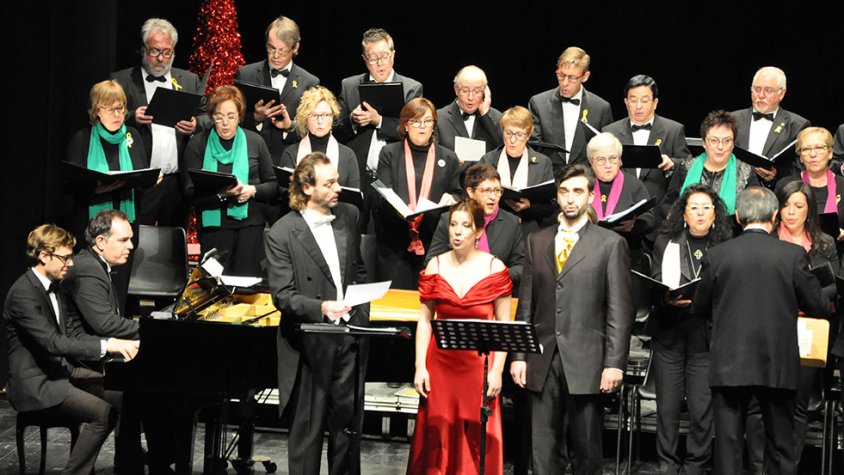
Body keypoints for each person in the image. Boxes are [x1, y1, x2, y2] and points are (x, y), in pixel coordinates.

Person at [692, 186, 830, 475]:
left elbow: (699, 306)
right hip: (777, 363)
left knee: (728, 445)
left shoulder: (717, 255)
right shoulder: (792, 255)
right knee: (780, 443)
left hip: (729, 364)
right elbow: (818, 306)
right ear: (775, 215)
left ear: (739, 216)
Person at [510, 164, 633, 474]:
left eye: (578, 191)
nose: (570, 199)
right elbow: (527, 303)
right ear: (557, 197)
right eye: (564, 192)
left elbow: (619, 309)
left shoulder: (610, 244)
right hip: (542, 356)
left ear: (591, 196)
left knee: (587, 450)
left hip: (587, 359)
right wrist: (519, 355)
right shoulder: (536, 241)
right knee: (542, 447)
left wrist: (614, 362)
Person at [3, 224, 138, 475]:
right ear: (44, 256)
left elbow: (73, 335)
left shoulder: (57, 286)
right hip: (36, 383)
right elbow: (53, 343)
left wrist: (114, 349)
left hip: (59, 371)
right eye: (65, 258)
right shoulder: (23, 294)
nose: (71, 263)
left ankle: (128, 466)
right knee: (103, 412)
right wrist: (107, 345)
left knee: (124, 395)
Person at [265, 153, 369, 475]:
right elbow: (282, 296)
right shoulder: (282, 232)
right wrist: (321, 309)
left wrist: (360, 313)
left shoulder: (348, 216)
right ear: (307, 188)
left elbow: (358, 270)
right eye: (330, 183)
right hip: (309, 344)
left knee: (346, 432)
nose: (339, 188)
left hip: (347, 339)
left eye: (337, 180)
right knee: (307, 435)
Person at [408, 199, 512, 474]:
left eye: (465, 226)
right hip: (440, 364)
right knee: (438, 436)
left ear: (478, 231)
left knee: (474, 438)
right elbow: (425, 320)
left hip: (479, 367)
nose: (457, 231)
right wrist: (420, 366)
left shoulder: (495, 269)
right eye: (453, 224)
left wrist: (498, 370)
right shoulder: (435, 267)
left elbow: (504, 325)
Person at [647, 185, 733, 475]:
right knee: (667, 408)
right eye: (694, 207)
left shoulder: (725, 247)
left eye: (706, 208)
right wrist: (665, 297)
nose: (700, 213)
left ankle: (697, 463)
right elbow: (655, 282)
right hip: (670, 332)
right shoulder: (664, 243)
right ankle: (667, 462)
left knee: (701, 408)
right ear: (683, 213)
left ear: (715, 215)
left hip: (705, 337)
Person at [62, 209, 142, 472]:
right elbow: (104, 323)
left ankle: (130, 462)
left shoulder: (96, 265)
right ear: (100, 242)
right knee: (132, 395)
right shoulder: (87, 269)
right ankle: (130, 464)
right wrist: (149, 330)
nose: (131, 246)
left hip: (90, 359)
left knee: (138, 390)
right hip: (75, 366)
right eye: (124, 240)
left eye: (131, 239)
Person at [110, 18, 209, 227]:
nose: (161, 58)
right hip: (141, 180)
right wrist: (131, 117)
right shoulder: (122, 80)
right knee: (135, 240)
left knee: (173, 244)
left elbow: (208, 115)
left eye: (167, 52)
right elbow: (103, 116)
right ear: (143, 49)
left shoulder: (188, 80)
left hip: (176, 181)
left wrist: (195, 124)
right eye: (155, 51)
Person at [65, 79, 148, 312]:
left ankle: (115, 338)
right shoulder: (82, 138)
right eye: (109, 108)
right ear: (96, 111)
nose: (117, 114)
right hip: (92, 226)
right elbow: (70, 184)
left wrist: (150, 179)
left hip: (125, 224)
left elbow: (140, 175)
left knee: (118, 290)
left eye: (121, 107)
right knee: (91, 288)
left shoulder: (132, 136)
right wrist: (95, 188)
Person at [774, 180, 839, 470]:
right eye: (786, 205)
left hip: (808, 328)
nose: (790, 212)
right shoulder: (768, 239)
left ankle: (789, 467)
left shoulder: (824, 243)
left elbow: (831, 289)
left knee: (798, 404)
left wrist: (801, 296)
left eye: (798, 206)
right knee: (769, 402)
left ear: (809, 209)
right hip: (771, 328)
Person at [182, 85, 276, 276]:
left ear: (240, 116)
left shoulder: (255, 141)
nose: (225, 123)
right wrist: (221, 195)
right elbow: (189, 192)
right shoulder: (198, 143)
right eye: (219, 116)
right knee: (215, 284)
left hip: (250, 224)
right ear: (212, 116)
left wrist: (252, 190)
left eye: (231, 116)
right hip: (213, 225)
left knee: (245, 282)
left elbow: (273, 185)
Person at [336, 28, 423, 231]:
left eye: (384, 56)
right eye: (373, 58)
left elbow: (416, 131)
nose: (380, 63)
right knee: (353, 235)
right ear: (365, 59)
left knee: (389, 239)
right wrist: (353, 120)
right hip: (359, 177)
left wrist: (379, 121)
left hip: (393, 177)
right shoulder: (349, 86)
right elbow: (336, 131)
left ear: (393, 55)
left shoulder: (411, 88)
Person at [374, 98, 460, 289]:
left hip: (434, 243)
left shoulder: (448, 157)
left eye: (427, 121)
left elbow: (457, 194)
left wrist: (452, 199)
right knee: (396, 307)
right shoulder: (389, 153)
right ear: (405, 125)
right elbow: (382, 194)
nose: (422, 126)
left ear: (434, 126)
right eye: (415, 121)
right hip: (395, 242)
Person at [236, 15, 320, 164]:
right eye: (271, 48)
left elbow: (315, 129)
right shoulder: (246, 74)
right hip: (250, 160)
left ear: (295, 48)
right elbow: (232, 119)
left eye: (282, 50)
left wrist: (290, 126)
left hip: (289, 162)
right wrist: (255, 117)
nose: (275, 55)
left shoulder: (310, 82)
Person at [426, 163, 525, 288]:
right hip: (455, 290)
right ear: (471, 192)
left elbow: (521, 266)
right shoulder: (450, 218)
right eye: (486, 190)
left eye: (497, 191)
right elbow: (431, 262)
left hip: (495, 291)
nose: (493, 197)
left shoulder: (511, 222)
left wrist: (496, 276)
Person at [602, 74, 689, 203]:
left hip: (660, 210)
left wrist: (672, 164)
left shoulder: (673, 130)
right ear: (626, 102)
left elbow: (688, 166)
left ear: (655, 103)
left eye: (644, 100)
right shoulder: (610, 132)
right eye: (633, 100)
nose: (638, 106)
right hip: (620, 206)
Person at [528, 46, 613, 168]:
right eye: (561, 75)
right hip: (550, 178)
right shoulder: (538, 103)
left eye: (572, 77)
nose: (565, 83)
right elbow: (534, 148)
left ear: (585, 76)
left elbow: (605, 151)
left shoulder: (601, 108)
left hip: (585, 180)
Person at [478, 106, 556, 235]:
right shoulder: (488, 159)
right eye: (508, 133)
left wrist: (529, 206)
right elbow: (476, 198)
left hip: (529, 230)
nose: (512, 140)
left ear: (529, 134)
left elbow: (550, 207)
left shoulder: (542, 162)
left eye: (519, 134)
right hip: (493, 229)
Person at [666, 110, 759, 216]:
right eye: (714, 141)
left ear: (733, 144)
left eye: (727, 141)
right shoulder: (686, 167)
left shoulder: (746, 171)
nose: (720, 147)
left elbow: (755, 209)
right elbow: (667, 204)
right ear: (704, 143)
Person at [732, 66, 810, 187]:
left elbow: (802, 166)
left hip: (774, 194)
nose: (761, 95)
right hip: (735, 190)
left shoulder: (797, 125)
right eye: (757, 89)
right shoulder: (732, 119)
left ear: (781, 93)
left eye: (768, 90)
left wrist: (776, 175)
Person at [586, 132, 652, 265]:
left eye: (613, 158)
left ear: (620, 160)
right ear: (591, 162)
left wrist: (633, 226)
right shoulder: (583, 183)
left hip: (627, 254)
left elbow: (649, 220)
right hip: (587, 253)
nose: (608, 165)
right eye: (601, 160)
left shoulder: (634, 185)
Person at [280, 86, 361, 189]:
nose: (320, 121)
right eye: (314, 115)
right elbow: (285, 194)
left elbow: (353, 199)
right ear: (305, 119)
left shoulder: (348, 155)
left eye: (326, 115)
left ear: (332, 118)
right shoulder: (290, 154)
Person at [776, 127, 844, 244]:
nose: (813, 154)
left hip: (837, 254)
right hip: (793, 252)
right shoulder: (785, 184)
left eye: (819, 148)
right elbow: (774, 222)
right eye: (806, 149)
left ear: (830, 153)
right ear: (801, 157)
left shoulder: (842, 185)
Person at [435, 65, 503, 159]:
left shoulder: (497, 117)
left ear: (485, 91)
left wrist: (485, 115)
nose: (470, 97)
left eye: (477, 91)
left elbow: (504, 149)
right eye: (465, 90)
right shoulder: (439, 118)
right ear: (456, 90)